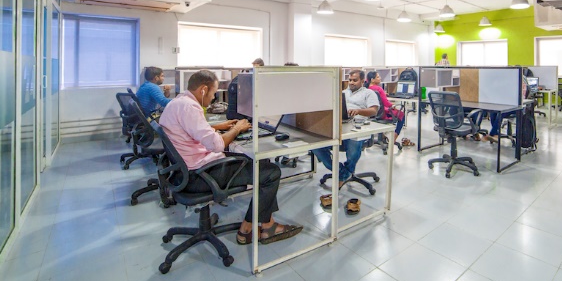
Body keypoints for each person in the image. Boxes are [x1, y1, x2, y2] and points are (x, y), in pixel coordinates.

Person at [159, 70, 302, 245]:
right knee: (270, 172)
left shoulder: (178, 102)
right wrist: (236, 129)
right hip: (200, 176)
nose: (214, 98)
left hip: (184, 173)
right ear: (203, 90)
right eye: (213, 92)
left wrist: (219, 126)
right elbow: (217, 145)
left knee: (259, 164)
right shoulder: (190, 107)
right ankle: (252, 229)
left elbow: (189, 130)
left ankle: (266, 222)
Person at [312, 70, 378, 200]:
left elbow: (374, 111)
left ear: (362, 81)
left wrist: (358, 111)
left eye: (355, 80)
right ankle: (343, 172)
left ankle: (343, 175)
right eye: (350, 80)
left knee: (353, 142)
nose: (351, 82)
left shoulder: (369, 93)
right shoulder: (343, 93)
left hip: (359, 127)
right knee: (316, 145)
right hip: (341, 125)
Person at [364, 71, 405, 149]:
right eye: (378, 77)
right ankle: (393, 139)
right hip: (382, 114)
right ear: (372, 80)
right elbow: (386, 103)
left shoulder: (367, 88)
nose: (380, 78)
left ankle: (382, 137)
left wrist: (383, 94)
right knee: (402, 115)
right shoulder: (378, 88)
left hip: (373, 113)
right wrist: (393, 106)